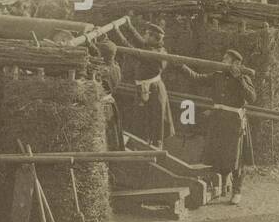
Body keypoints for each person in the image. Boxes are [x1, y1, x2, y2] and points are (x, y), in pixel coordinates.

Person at [114, 19, 194, 147]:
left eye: (147, 34)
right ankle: (145, 145)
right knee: (144, 120)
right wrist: (129, 25)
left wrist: (116, 30)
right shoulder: (153, 47)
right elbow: (140, 41)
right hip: (146, 89)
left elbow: (131, 49)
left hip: (154, 91)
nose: (144, 35)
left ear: (154, 38)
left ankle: (154, 149)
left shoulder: (155, 54)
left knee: (155, 122)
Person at [196, 49, 257, 203]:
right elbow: (197, 78)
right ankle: (218, 187)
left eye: (226, 60)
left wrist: (239, 79)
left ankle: (237, 192)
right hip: (218, 120)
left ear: (236, 63)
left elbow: (252, 97)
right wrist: (180, 65)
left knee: (235, 158)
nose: (222, 62)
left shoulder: (244, 77)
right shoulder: (218, 76)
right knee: (215, 153)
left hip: (234, 122)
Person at [96, 39, 124, 151]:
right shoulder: (116, 67)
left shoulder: (102, 71)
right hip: (111, 104)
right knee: (113, 134)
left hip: (103, 106)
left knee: (105, 135)